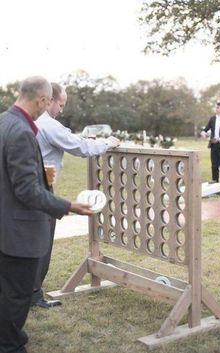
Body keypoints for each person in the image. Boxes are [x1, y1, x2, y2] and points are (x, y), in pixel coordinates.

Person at [0, 76, 93, 353]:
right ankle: (9, 344)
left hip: (6, 224)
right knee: (16, 294)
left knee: (6, 291)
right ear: (42, 100)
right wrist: (68, 206)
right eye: (49, 102)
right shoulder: (21, 132)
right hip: (17, 231)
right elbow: (27, 189)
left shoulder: (4, 120)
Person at [32, 82, 120, 308]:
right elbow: (81, 148)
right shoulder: (48, 125)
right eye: (60, 104)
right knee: (41, 244)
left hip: (35, 186)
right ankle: (33, 294)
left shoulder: (35, 122)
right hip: (40, 190)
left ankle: (29, 292)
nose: (61, 110)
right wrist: (108, 142)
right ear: (49, 100)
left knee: (31, 242)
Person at [201, 102, 220, 182]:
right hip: (213, 145)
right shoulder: (212, 119)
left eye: (218, 107)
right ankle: (215, 183)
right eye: (216, 107)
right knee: (214, 165)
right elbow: (206, 129)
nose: (216, 109)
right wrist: (203, 133)